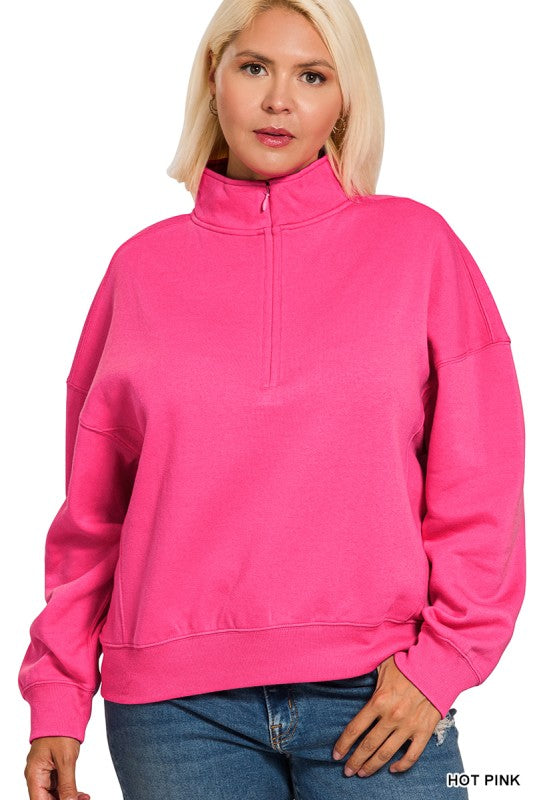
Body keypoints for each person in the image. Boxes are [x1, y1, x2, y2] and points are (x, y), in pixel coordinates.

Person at [20, 1, 526, 798]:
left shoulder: (417, 248)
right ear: (213, 77)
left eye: (312, 76)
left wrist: (443, 663)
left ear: (344, 101)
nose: (279, 100)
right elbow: (92, 520)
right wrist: (57, 694)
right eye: (254, 67)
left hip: (375, 691)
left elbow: (481, 487)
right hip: (174, 713)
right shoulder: (138, 271)